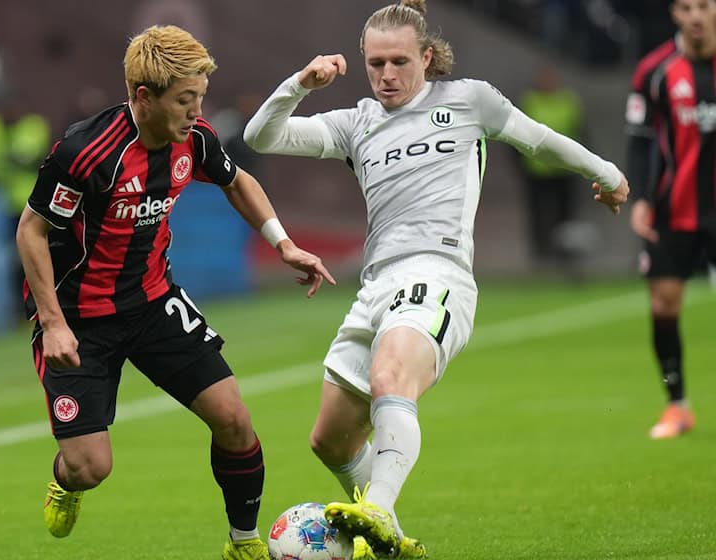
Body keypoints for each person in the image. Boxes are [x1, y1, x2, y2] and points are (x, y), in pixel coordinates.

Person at [243, 1, 629, 558]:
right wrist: (300, 84)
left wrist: (608, 174)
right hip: (375, 286)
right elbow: (261, 136)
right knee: (330, 439)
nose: (387, 75)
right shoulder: (357, 123)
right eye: (375, 63)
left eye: (399, 61)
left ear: (426, 57)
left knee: (391, 376)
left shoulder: (468, 100)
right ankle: (394, 542)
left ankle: (378, 508)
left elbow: (539, 139)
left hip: (437, 273)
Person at [15, 25, 335, 560]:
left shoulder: (195, 139)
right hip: (79, 320)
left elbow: (237, 181)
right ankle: (67, 480)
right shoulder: (85, 151)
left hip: (152, 302)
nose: (196, 111)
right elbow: (31, 231)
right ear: (144, 97)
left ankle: (243, 542)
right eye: (185, 99)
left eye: (200, 97)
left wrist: (282, 244)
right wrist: (52, 323)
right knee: (91, 467)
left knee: (233, 418)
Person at [625, 0, 716, 440]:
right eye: (686, 7)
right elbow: (639, 140)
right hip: (672, 208)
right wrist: (641, 198)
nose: (695, 16)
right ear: (674, 14)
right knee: (663, 305)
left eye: (703, 6)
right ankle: (677, 405)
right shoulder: (654, 71)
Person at [518, 63, 585, 267]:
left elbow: (580, 131)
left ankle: (565, 252)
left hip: (564, 169)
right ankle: (541, 253)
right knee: (538, 213)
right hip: (536, 170)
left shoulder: (568, 101)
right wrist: (521, 165)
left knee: (566, 213)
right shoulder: (530, 101)